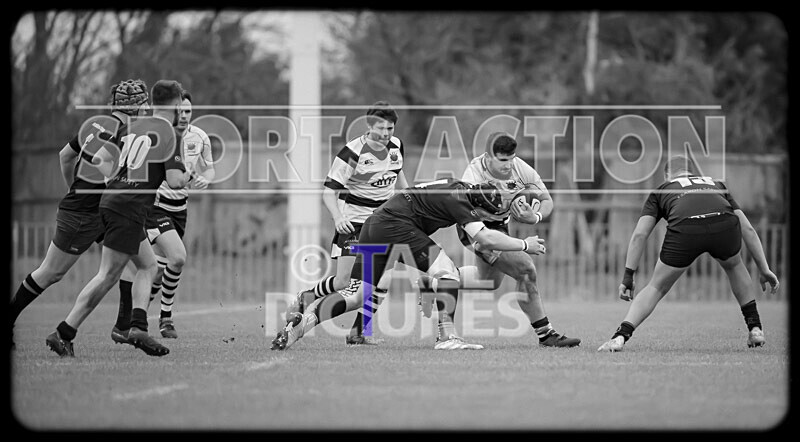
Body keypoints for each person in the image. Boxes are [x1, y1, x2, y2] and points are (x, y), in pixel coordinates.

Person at [271, 178, 548, 351]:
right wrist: (525, 245)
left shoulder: (461, 189)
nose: (487, 218)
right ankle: (447, 337)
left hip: (374, 224)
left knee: (357, 295)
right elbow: (485, 238)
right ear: (480, 207)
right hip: (396, 225)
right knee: (448, 273)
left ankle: (302, 324)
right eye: (487, 214)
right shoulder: (461, 202)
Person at [45, 79, 191, 357]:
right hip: (129, 208)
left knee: (148, 265)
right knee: (108, 275)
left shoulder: (131, 126)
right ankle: (64, 333)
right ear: (174, 104)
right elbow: (174, 181)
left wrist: (119, 180)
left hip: (111, 202)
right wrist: (188, 175)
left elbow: (99, 158)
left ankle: (137, 327)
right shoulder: (170, 134)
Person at [9, 79, 150, 349]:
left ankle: (123, 326)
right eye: (144, 105)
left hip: (104, 211)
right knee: (51, 272)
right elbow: (113, 174)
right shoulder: (126, 133)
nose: (146, 110)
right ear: (134, 108)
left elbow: (65, 156)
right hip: (85, 214)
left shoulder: (93, 124)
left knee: (142, 263)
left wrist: (72, 187)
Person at [597, 155, 780, 352]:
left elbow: (640, 234)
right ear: (692, 173)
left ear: (667, 175)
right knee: (735, 266)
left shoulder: (661, 190)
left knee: (656, 287)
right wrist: (764, 269)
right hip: (723, 222)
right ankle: (755, 328)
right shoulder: (716, 184)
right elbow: (748, 229)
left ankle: (620, 337)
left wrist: (628, 275)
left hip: (686, 228)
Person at [282, 101, 408, 345]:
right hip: (354, 223)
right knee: (343, 281)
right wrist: (338, 218)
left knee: (383, 281)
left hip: (384, 222)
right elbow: (328, 192)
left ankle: (359, 332)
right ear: (369, 126)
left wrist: (408, 199)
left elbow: (398, 173)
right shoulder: (351, 153)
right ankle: (306, 296)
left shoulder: (397, 145)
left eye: (390, 128)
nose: (385, 133)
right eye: (380, 128)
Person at [456, 133, 581, 347]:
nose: (508, 165)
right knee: (525, 269)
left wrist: (535, 216)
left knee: (488, 282)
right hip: (474, 228)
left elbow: (546, 200)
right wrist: (522, 245)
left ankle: (437, 280)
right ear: (488, 157)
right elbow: (467, 217)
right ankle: (546, 334)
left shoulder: (520, 168)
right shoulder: (473, 176)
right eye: (503, 160)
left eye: (511, 158)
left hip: (500, 225)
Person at [113, 90, 215, 340]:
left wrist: (206, 179)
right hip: (156, 207)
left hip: (180, 210)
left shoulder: (200, 137)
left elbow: (210, 168)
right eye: (181, 110)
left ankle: (131, 319)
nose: (184, 115)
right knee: (176, 258)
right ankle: (163, 317)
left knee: (157, 267)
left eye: (188, 111)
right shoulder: (160, 134)